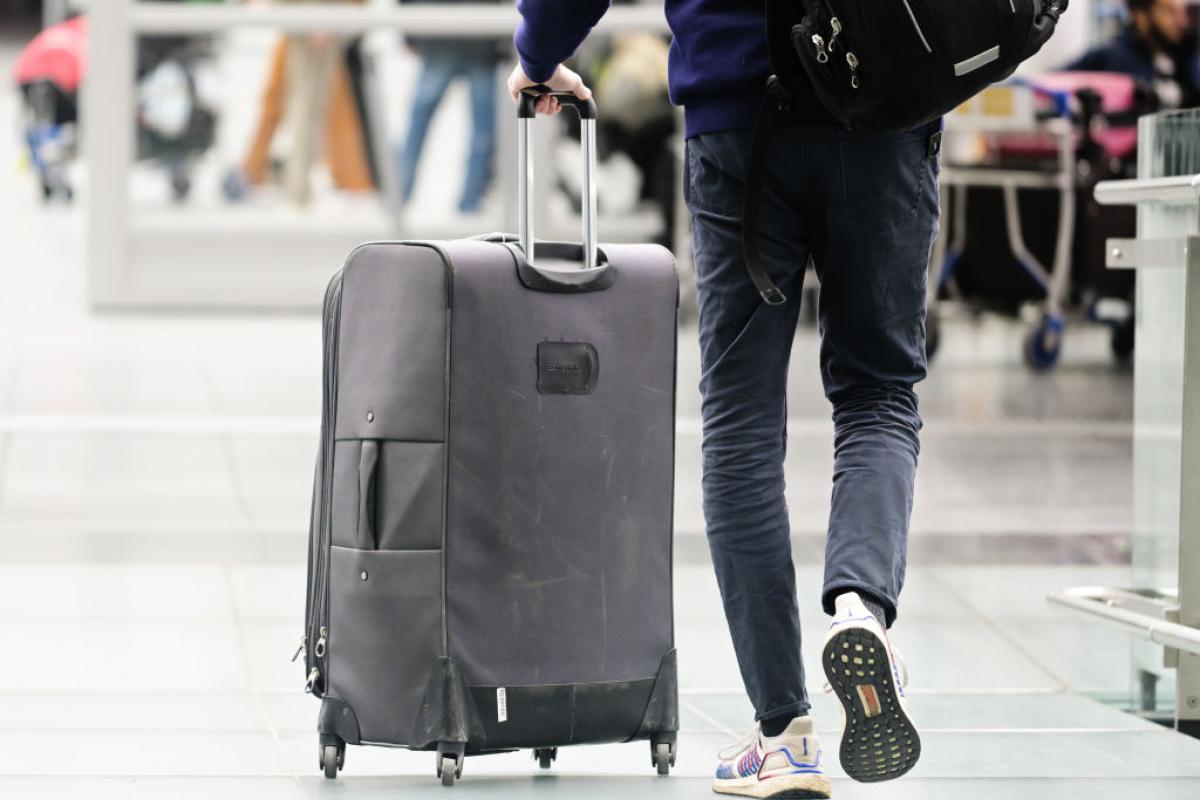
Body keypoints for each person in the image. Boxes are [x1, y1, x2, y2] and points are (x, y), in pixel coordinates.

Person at [509, 1, 936, 797]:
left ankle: (785, 734)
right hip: (886, 96)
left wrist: (538, 55)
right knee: (877, 395)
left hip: (741, 111)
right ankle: (860, 612)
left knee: (740, 425)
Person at [396, 0, 504, 214]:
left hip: (442, 27)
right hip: (479, 27)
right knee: (482, 131)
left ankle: (399, 195)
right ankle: (470, 204)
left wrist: (406, 29)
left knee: (419, 120)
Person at [1067, 0, 1200, 109]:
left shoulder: (1186, 58)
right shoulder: (1111, 57)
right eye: (1169, 12)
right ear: (1140, 15)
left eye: (1182, 12)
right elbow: (1052, 85)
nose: (1181, 22)